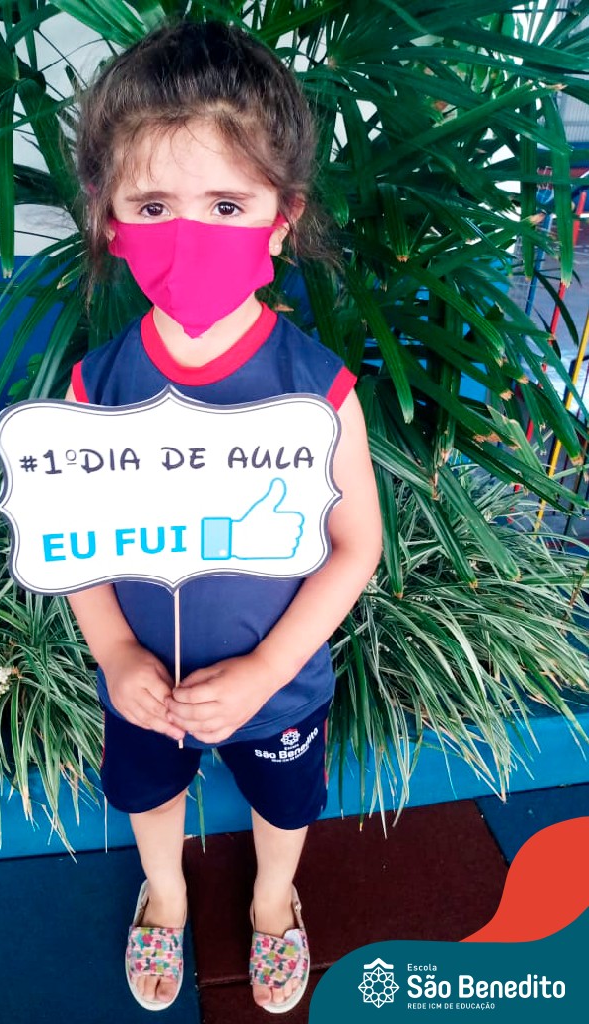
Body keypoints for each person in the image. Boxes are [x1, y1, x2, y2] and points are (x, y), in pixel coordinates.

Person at [65, 20, 383, 1014]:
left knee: (284, 806)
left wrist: (266, 670)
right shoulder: (94, 389)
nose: (189, 233)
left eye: (227, 204)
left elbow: (355, 545)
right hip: (145, 687)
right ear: (110, 218)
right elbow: (78, 544)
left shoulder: (319, 391)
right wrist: (117, 654)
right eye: (154, 205)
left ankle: (273, 900)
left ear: (283, 217)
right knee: (149, 796)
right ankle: (164, 895)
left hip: (279, 689)